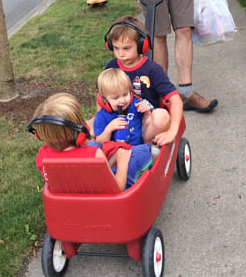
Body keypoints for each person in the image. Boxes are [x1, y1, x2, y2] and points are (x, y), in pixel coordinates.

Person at [28, 92, 151, 191]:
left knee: (94, 144)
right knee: (142, 151)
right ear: (80, 129)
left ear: (39, 134)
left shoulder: (42, 155)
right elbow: (117, 188)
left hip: (75, 191)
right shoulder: (94, 154)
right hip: (103, 197)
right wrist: (122, 162)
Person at [103, 16, 183, 147]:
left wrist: (172, 131)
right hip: (118, 121)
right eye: (116, 48)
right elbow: (101, 97)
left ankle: (146, 146)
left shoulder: (152, 70)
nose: (120, 54)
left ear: (142, 45)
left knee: (161, 115)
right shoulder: (111, 66)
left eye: (126, 48)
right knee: (90, 123)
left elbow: (175, 100)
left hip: (146, 123)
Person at [94, 67, 170, 145]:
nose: (122, 100)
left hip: (139, 147)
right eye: (116, 98)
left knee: (161, 114)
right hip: (116, 150)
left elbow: (147, 125)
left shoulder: (135, 105)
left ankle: (149, 146)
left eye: (125, 94)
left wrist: (147, 113)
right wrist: (109, 129)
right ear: (104, 100)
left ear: (130, 91)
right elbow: (99, 141)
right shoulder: (102, 116)